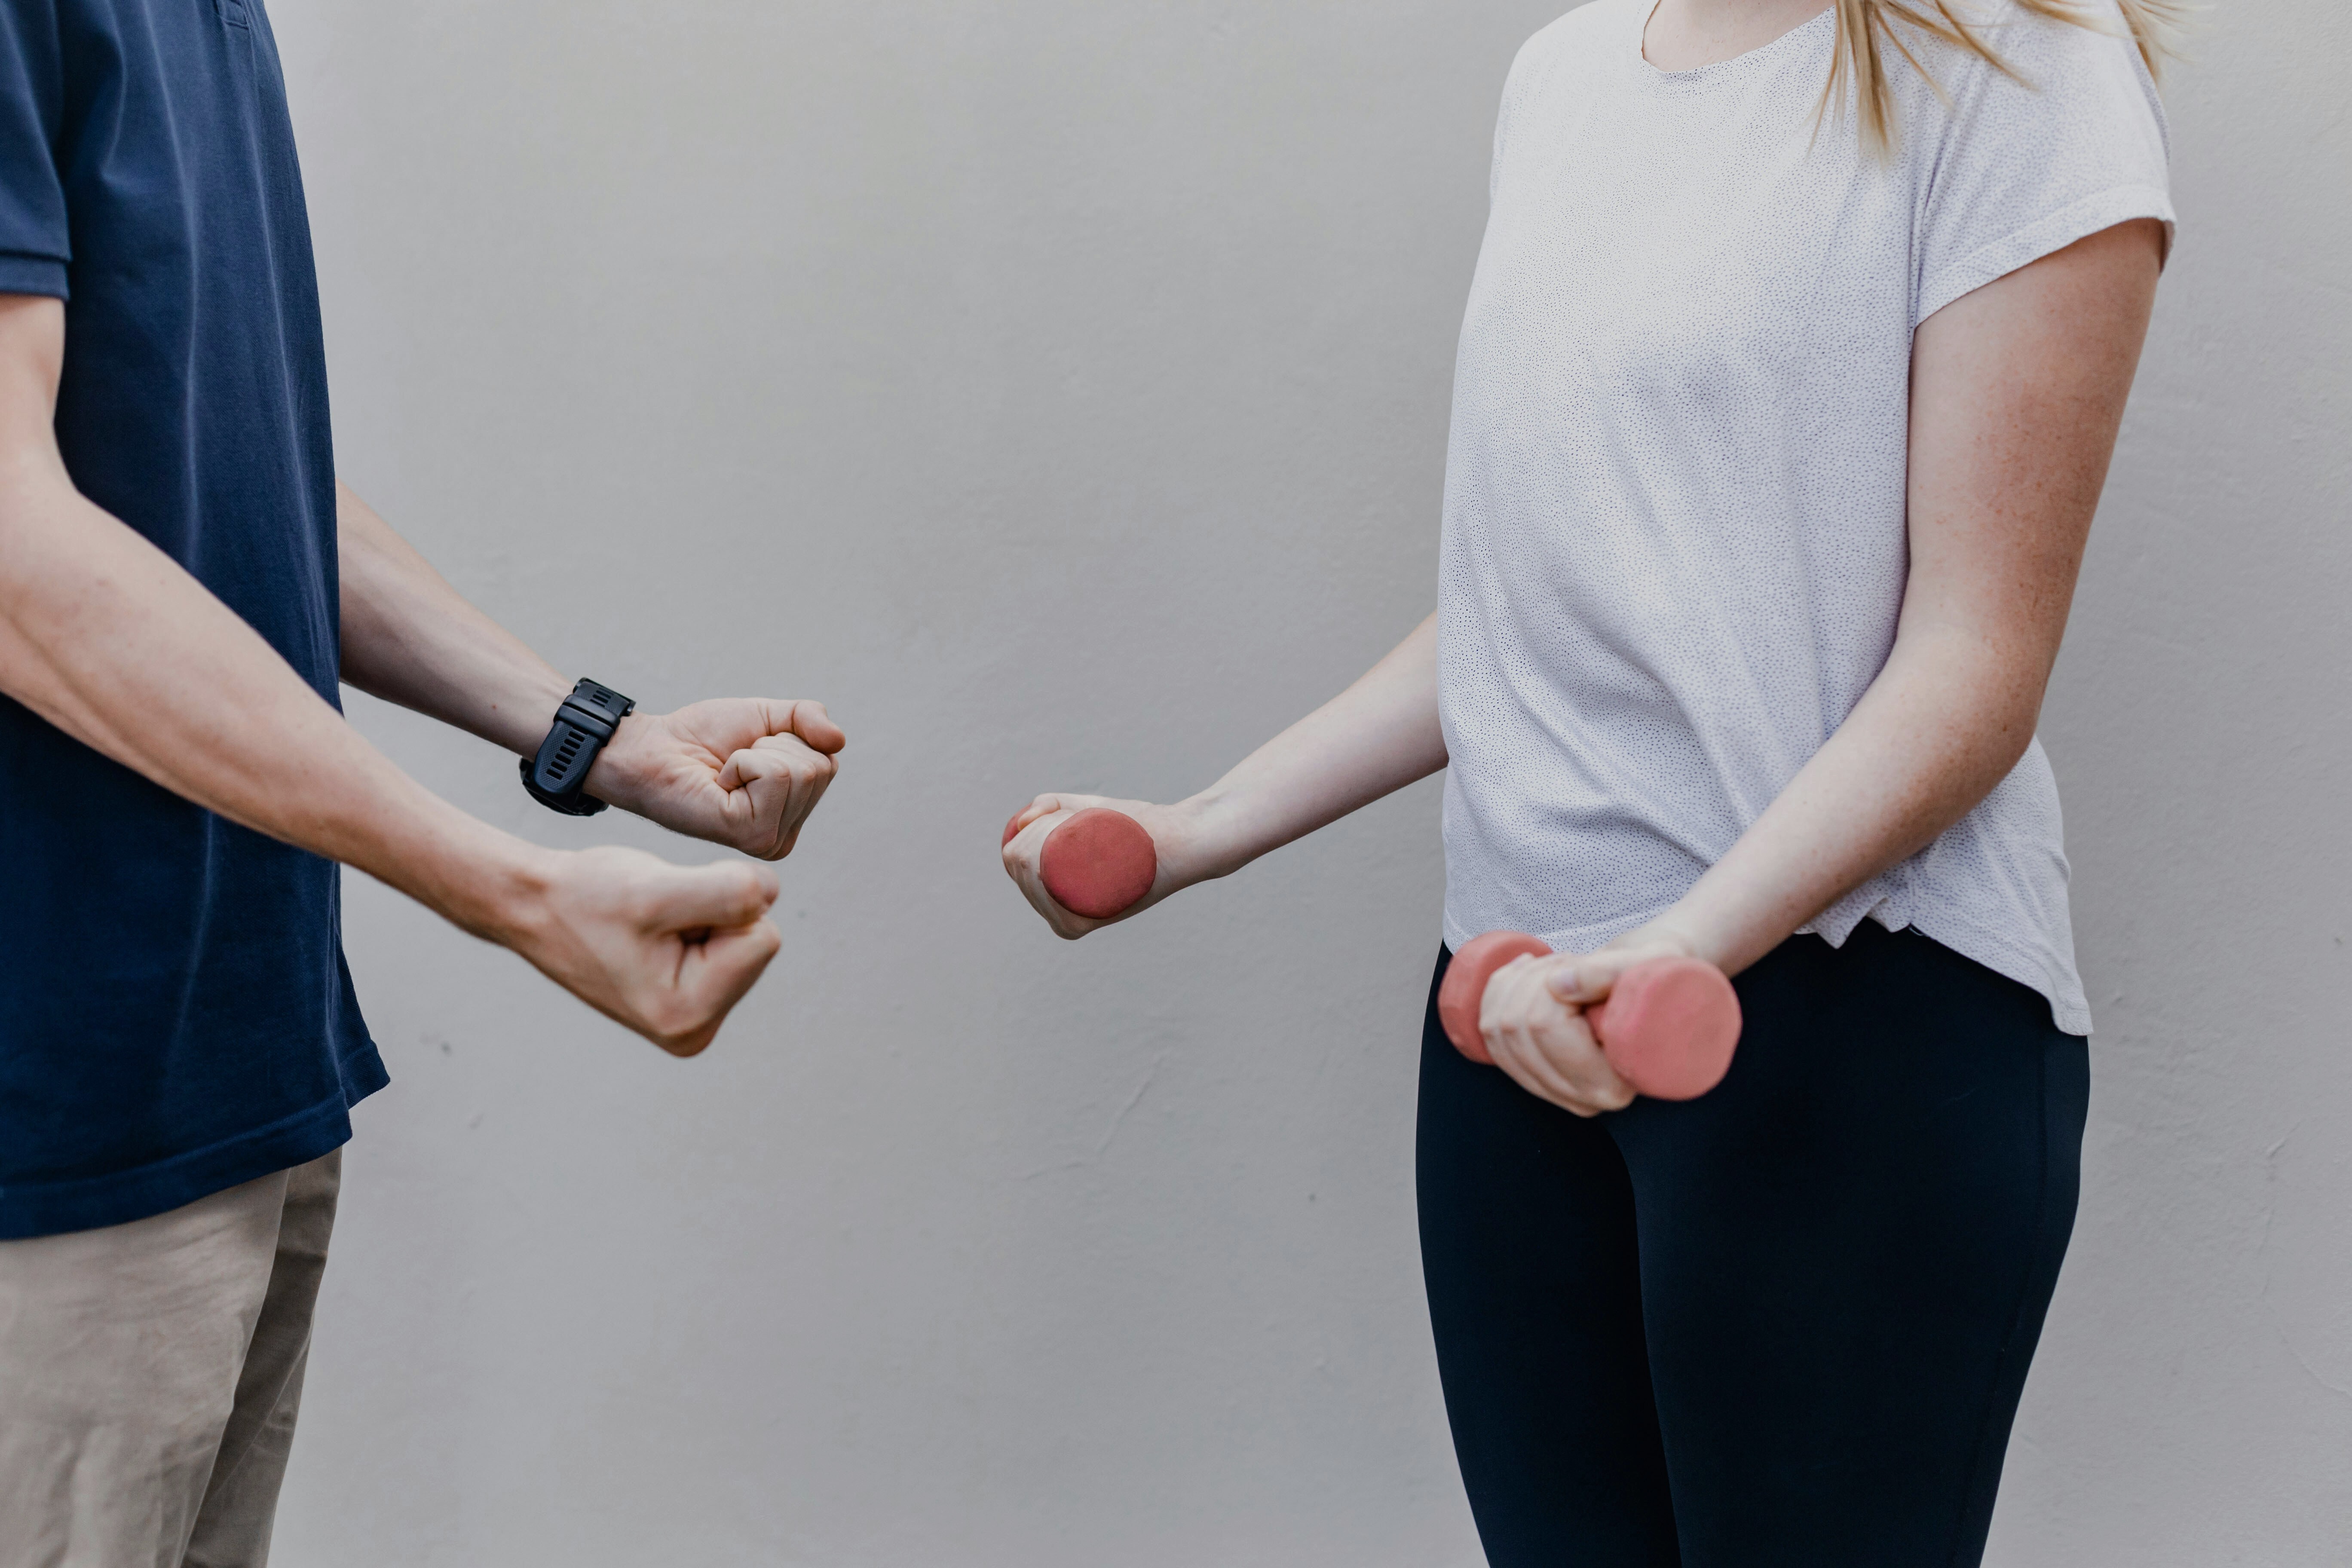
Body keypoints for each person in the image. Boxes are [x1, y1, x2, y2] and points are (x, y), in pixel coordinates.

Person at [1004, 0, 2176, 1560]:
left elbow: (1976, 659)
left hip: (1850, 1018)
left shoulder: (2023, 73)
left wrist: (1680, 945)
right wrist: (1193, 830)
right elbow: (1537, 603)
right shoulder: (1563, 75)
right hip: (1512, 1018)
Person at [0, 0, 843, 1559]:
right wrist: (510, 892)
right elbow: (13, 554)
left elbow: (209, 454)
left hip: (237, 1075)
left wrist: (593, 737)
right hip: (53, 1134)